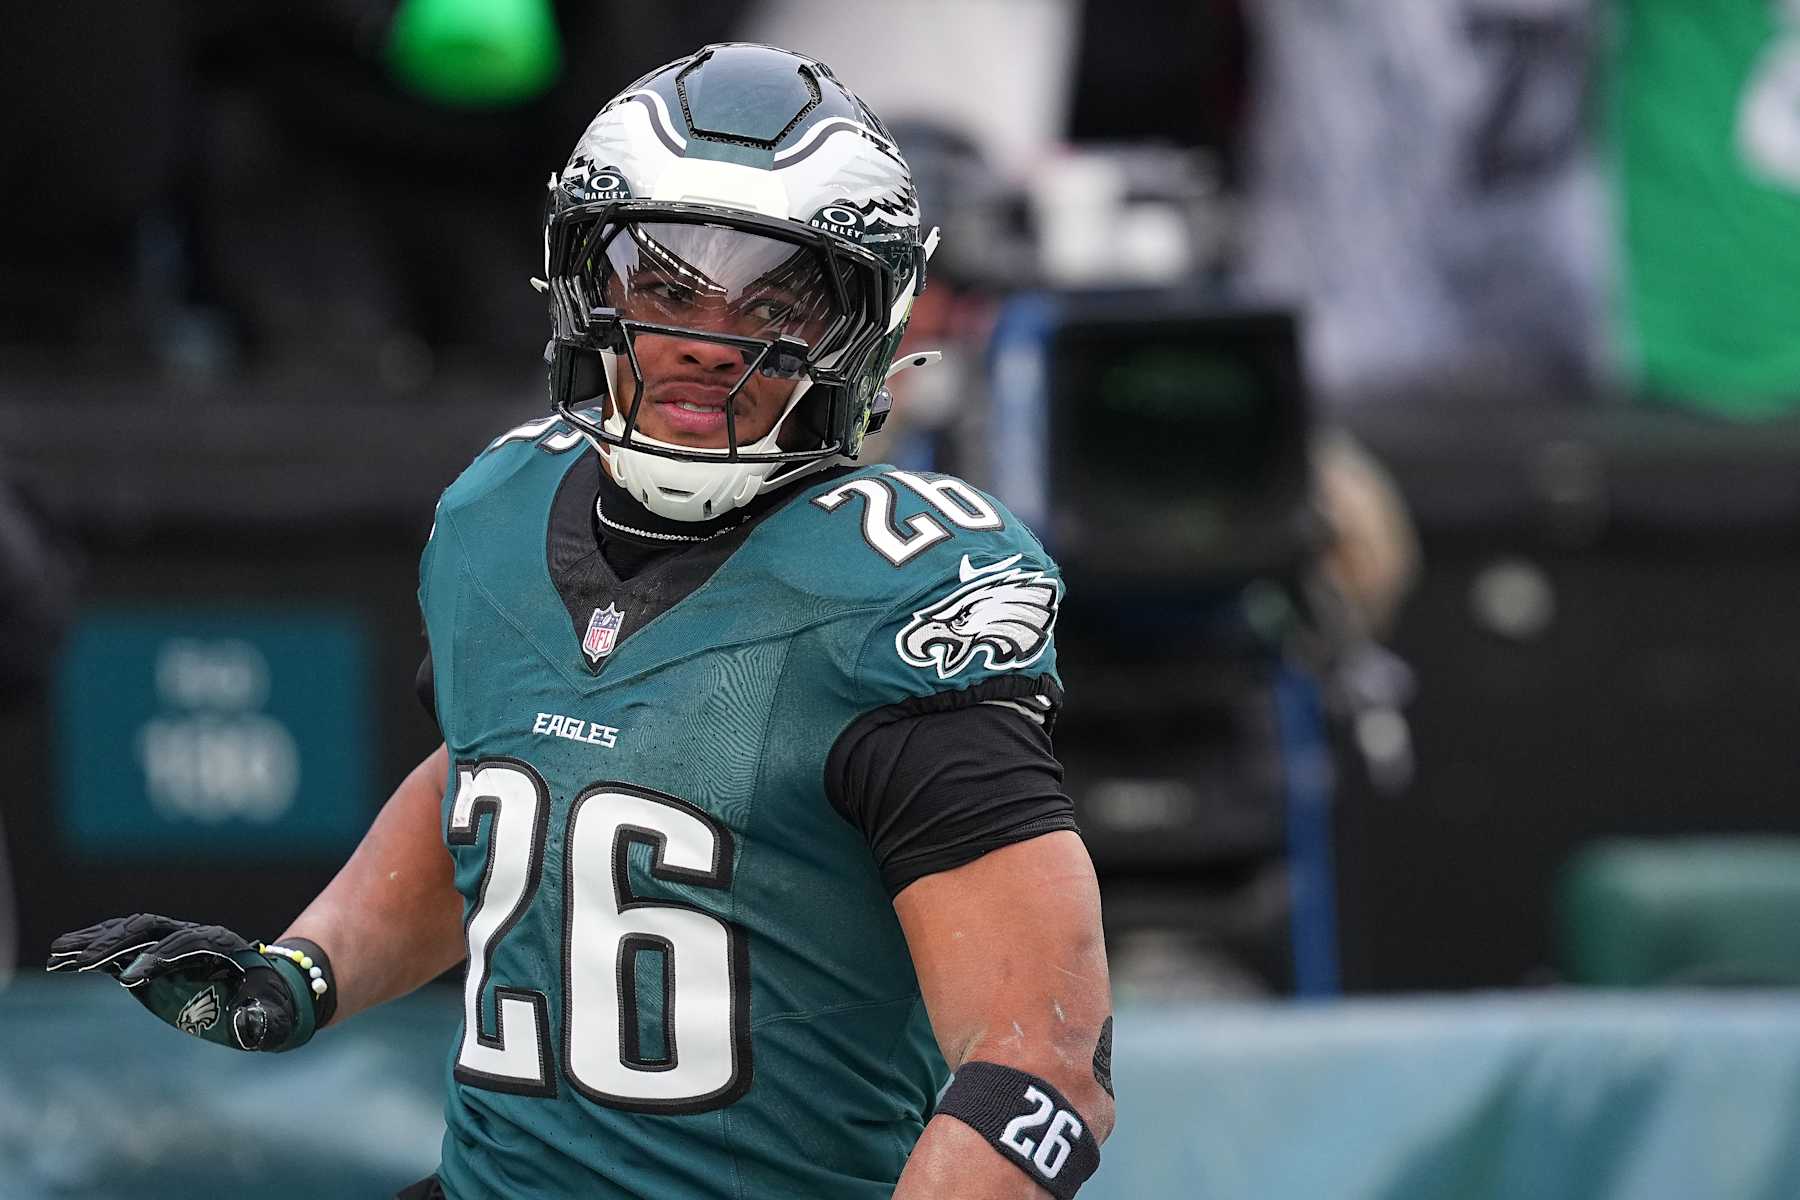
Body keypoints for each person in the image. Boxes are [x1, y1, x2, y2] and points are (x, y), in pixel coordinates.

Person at [48, 43, 1115, 1200]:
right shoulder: (499, 510)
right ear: (586, 291)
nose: (708, 340)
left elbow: (1041, 1059)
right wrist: (305, 970)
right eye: (665, 288)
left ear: (862, 327)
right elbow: (497, 771)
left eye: (773, 300)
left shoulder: (891, 596)